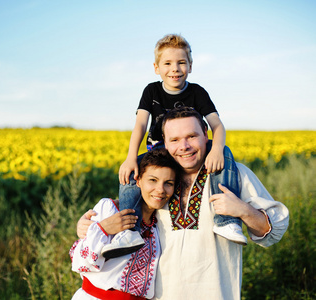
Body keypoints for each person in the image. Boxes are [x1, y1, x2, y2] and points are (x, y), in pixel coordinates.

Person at [77, 107, 289, 299]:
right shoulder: (159, 181)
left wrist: (243, 211)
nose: (184, 146)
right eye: (175, 140)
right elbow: (121, 213)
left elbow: (273, 232)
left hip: (218, 293)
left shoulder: (233, 174)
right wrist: (91, 227)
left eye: (191, 136)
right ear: (164, 142)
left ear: (206, 135)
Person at [105, 33, 245, 259]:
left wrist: (217, 149)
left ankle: (226, 222)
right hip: (159, 150)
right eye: (167, 63)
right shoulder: (151, 90)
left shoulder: (197, 91)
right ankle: (130, 230)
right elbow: (140, 125)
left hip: (190, 148)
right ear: (156, 67)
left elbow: (217, 126)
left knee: (225, 153)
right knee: (133, 172)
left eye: (181, 62)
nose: (175, 69)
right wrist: (131, 156)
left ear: (190, 66)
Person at [70, 148, 181, 299]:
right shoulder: (110, 209)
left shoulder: (161, 223)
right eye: (152, 180)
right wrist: (103, 229)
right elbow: (82, 263)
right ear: (139, 180)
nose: (160, 190)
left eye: (168, 183)